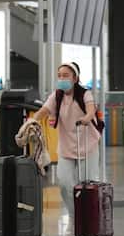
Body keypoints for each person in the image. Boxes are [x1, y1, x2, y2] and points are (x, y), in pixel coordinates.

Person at [28, 62, 101, 222]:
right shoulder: (57, 96)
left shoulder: (85, 94)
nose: (62, 79)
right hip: (66, 147)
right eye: (59, 75)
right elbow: (44, 111)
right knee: (64, 184)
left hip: (87, 145)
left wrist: (86, 118)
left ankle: (88, 220)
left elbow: (90, 111)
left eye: (66, 75)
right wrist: (30, 122)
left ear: (75, 78)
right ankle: (74, 218)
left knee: (86, 185)